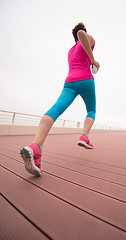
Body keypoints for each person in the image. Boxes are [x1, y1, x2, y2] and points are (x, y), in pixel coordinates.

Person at [20, 22, 100, 176]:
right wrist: (93, 60)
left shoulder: (70, 51)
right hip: (85, 80)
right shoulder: (87, 37)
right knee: (91, 110)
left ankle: (35, 149)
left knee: (55, 109)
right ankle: (84, 136)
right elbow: (81, 35)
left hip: (70, 82)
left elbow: (79, 39)